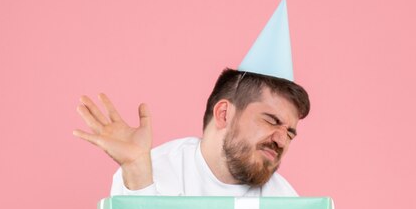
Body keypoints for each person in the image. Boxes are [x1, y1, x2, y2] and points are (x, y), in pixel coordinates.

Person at [73, 68, 310, 197]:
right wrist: (137, 172)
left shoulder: (285, 201)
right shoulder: (151, 172)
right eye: (271, 120)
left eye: (290, 133)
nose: (281, 140)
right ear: (224, 114)